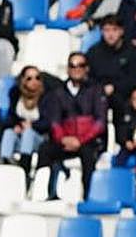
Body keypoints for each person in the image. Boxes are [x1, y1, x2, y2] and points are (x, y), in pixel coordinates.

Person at [35, 52, 108, 199]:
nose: (76, 69)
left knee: (88, 154)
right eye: (73, 66)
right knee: (45, 150)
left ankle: (88, 196)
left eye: (80, 65)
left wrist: (80, 140)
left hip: (88, 140)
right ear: (68, 69)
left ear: (86, 68)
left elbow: (100, 121)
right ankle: (47, 192)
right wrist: (63, 139)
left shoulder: (95, 90)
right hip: (65, 139)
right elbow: (54, 121)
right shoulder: (58, 92)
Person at [86, 14, 136, 115]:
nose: (110, 34)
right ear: (101, 32)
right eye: (106, 30)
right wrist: (101, 89)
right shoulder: (93, 52)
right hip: (98, 94)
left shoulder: (132, 52)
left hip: (124, 95)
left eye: (114, 30)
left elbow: (135, 78)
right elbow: (88, 77)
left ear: (121, 31)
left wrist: (115, 87)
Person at [0, 65, 48, 178]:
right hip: (20, 136)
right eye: (29, 78)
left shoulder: (47, 96)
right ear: (23, 80)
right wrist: (17, 125)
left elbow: (49, 122)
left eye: (37, 78)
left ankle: (25, 171)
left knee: (28, 133)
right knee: (8, 133)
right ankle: (5, 165)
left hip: (39, 138)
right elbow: (10, 117)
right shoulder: (15, 94)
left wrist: (32, 125)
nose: (34, 81)